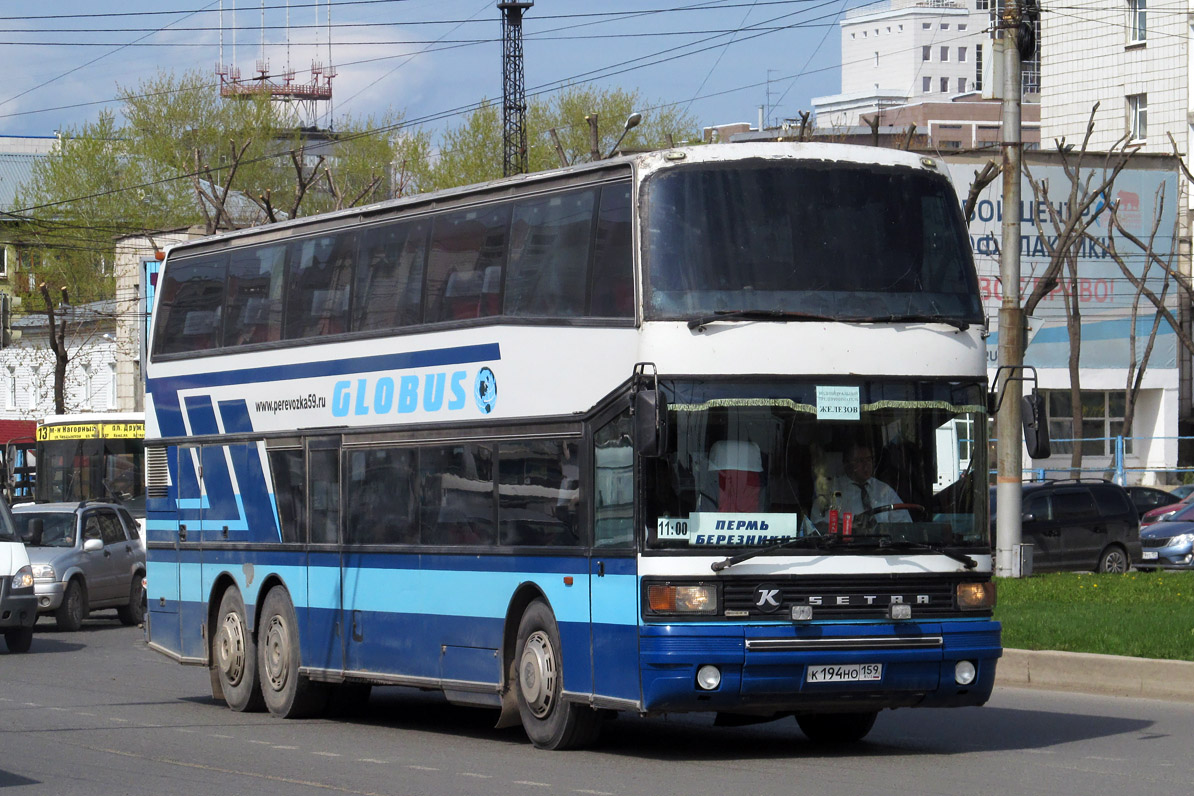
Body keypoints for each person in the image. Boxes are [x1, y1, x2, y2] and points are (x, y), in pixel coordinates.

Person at [815, 441, 911, 525]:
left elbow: (905, 524)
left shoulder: (883, 490)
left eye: (869, 459)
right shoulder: (831, 490)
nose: (866, 465)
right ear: (846, 464)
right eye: (860, 461)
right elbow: (819, 526)